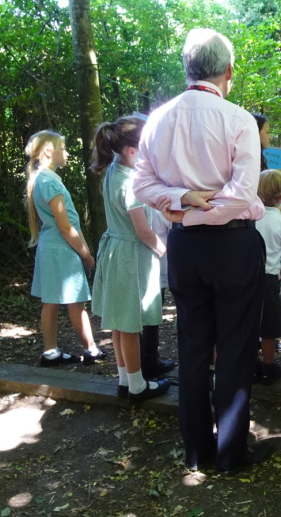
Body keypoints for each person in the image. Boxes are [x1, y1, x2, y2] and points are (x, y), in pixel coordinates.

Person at [133, 28, 272, 474]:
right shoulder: (238, 119)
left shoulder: (158, 119)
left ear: (187, 68)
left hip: (185, 246)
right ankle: (230, 454)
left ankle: (197, 450)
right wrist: (189, 203)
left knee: (193, 346)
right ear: (229, 71)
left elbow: (143, 185)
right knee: (234, 348)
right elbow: (241, 194)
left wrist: (180, 205)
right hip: (232, 244)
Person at [90, 117, 171, 402]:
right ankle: (137, 386)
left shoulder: (114, 170)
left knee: (119, 321)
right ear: (132, 150)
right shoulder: (132, 183)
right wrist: (165, 251)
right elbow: (143, 231)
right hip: (130, 258)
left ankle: (126, 378)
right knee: (131, 324)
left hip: (116, 251)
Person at [25, 130, 104, 367]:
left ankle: (51, 352)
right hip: (62, 250)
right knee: (76, 302)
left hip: (50, 249)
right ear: (49, 151)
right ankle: (90, 349)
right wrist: (86, 255)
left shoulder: (42, 179)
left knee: (51, 301)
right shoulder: (49, 182)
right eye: (63, 148)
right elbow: (66, 227)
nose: (67, 153)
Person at [254, 169, 281, 385]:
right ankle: (268, 366)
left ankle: (250, 365)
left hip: (246, 278)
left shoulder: (250, 217)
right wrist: (278, 277)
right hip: (270, 279)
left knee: (248, 322)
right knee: (269, 328)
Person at [141, 209, 177, 380]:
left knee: (149, 316)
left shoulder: (142, 201)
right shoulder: (163, 204)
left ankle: (147, 360)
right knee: (151, 317)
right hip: (164, 265)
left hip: (148, 264)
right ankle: (149, 361)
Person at [252, 112, 281, 219]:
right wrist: (276, 211)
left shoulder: (258, 158)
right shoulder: (247, 162)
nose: (269, 137)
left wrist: (275, 201)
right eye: (267, 132)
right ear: (255, 133)